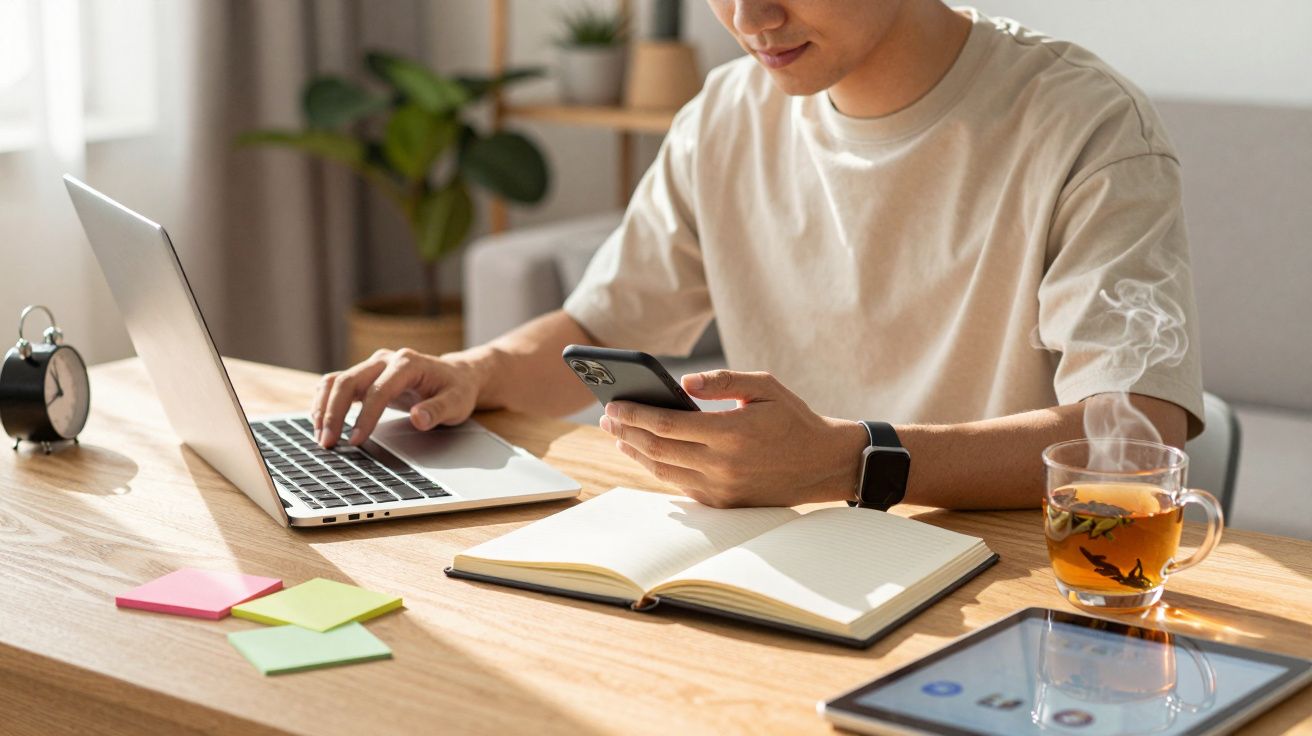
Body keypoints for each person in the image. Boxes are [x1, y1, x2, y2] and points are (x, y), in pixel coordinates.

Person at [311, 0, 1204, 511]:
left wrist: (849, 459)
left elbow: (1134, 437)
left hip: (985, 574)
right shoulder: (727, 113)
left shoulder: (1087, 127)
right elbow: (599, 329)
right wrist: (471, 371)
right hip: (771, 561)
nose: (748, 17)